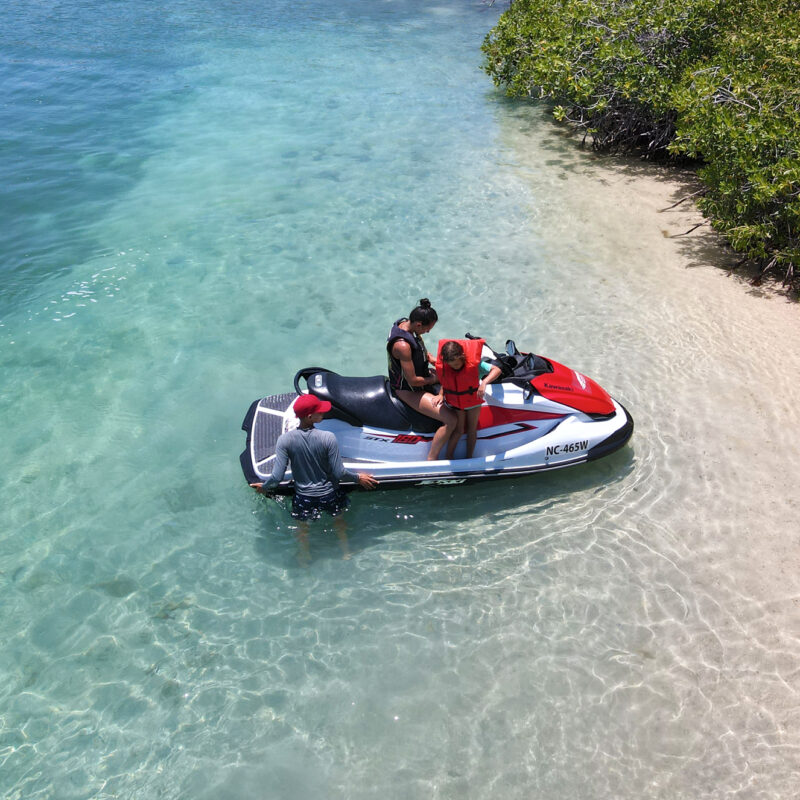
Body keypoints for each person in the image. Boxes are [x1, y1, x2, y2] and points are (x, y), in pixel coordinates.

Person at [250, 394, 378, 562]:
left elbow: (277, 476)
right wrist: (358, 478)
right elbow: (339, 473)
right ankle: (346, 551)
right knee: (339, 523)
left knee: (302, 529)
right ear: (310, 417)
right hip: (330, 494)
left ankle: (304, 555)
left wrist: (264, 487)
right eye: (320, 412)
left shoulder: (284, 441)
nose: (323, 414)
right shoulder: (328, 438)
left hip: (304, 498)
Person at [387, 298, 458, 461]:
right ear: (418, 324)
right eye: (427, 329)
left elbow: (419, 350)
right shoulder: (402, 346)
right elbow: (413, 381)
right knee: (451, 419)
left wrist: (432, 360)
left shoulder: (403, 323)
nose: (428, 332)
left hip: (422, 376)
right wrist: (434, 379)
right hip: (407, 389)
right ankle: (432, 459)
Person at [436, 339, 503, 459]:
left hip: (473, 403)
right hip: (457, 403)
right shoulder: (447, 366)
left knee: (472, 430)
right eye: (451, 365)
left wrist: (484, 382)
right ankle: (449, 456)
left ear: (462, 356)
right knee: (459, 431)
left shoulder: (476, 365)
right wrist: (441, 394)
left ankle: (469, 457)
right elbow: (447, 381)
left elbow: (497, 370)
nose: (455, 367)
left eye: (456, 364)